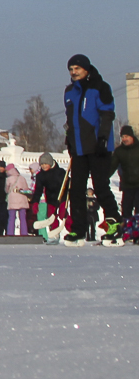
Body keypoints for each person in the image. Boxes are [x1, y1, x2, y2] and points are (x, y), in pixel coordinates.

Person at [62, 54, 119, 244]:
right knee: (76, 189)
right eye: (71, 69)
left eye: (77, 68)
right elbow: (70, 120)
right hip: (78, 148)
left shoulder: (100, 87)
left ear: (86, 69)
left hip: (98, 147)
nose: (74, 72)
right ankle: (78, 229)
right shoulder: (69, 92)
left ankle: (114, 223)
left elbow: (107, 114)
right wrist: (69, 139)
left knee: (100, 186)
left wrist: (103, 138)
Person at [29, 152, 68, 240]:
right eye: (42, 164)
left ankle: (74, 231)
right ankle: (54, 236)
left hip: (62, 198)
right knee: (51, 218)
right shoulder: (40, 176)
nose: (44, 166)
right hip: (50, 199)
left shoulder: (61, 172)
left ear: (50, 163)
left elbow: (67, 185)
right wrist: (35, 202)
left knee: (63, 215)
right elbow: (38, 190)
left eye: (45, 163)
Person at [113, 126, 139, 223]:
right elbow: (112, 166)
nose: (124, 139)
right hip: (127, 186)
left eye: (126, 136)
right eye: (122, 137)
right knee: (126, 210)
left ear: (132, 136)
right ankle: (127, 231)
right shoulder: (119, 151)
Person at [4, 162, 32, 236]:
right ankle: (24, 233)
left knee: (11, 218)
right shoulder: (22, 178)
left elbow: (6, 190)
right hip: (22, 200)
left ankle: (10, 233)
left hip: (13, 201)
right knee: (23, 218)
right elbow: (26, 188)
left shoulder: (8, 179)